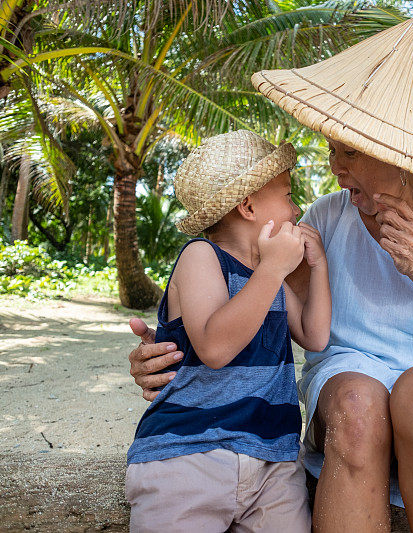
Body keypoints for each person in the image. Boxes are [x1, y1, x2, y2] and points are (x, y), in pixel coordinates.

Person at [129, 13, 413, 533]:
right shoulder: (326, 218)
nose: (335, 168)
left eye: (350, 152)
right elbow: (256, 310)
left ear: (402, 157)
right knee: (359, 406)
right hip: (349, 384)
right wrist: (170, 350)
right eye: (333, 149)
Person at [125, 130, 331, 532]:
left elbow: (315, 335)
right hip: (188, 454)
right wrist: (273, 269)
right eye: (288, 196)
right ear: (248, 205)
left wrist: (318, 265)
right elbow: (216, 348)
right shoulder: (201, 257)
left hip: (273, 461)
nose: (296, 209)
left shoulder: (267, 276)